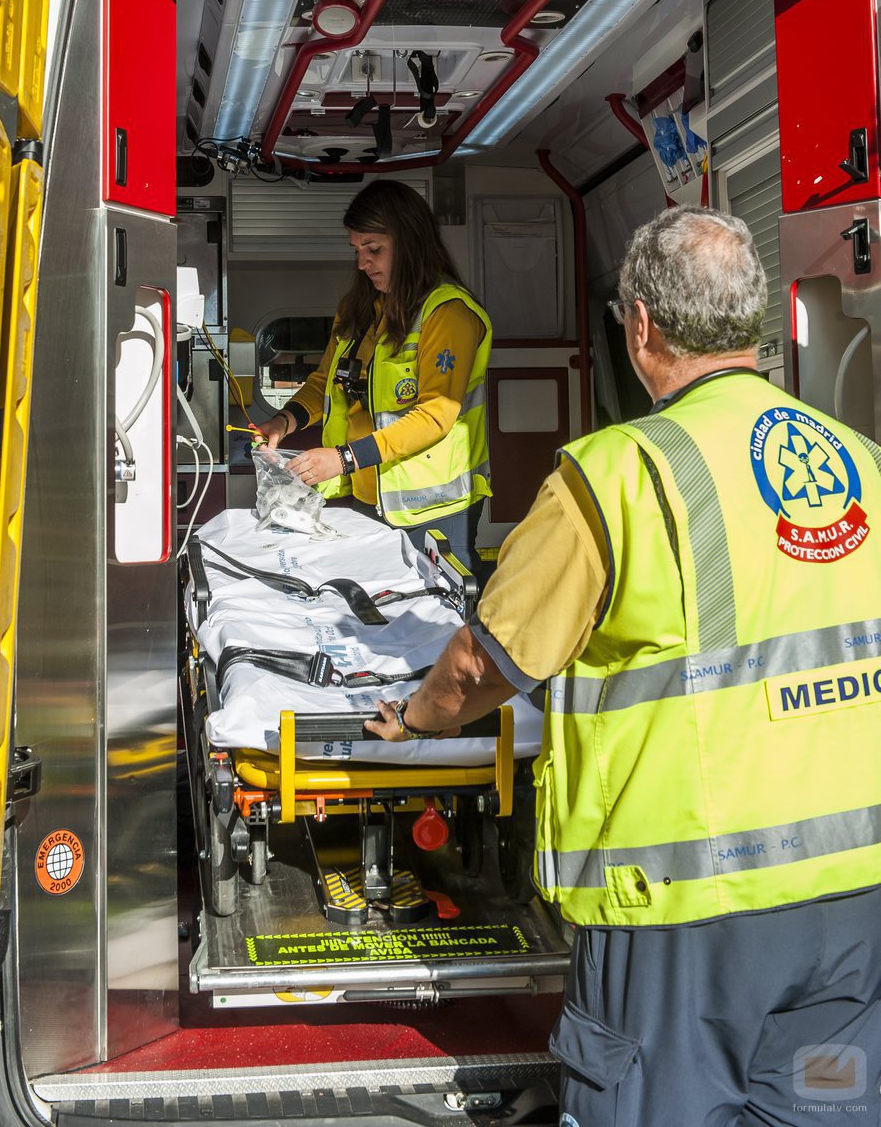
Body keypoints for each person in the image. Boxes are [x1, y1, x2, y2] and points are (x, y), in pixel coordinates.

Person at [364, 205, 881, 1126]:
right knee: (823, 1106)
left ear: (640, 326)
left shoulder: (616, 476)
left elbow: (485, 663)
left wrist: (413, 719)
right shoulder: (862, 464)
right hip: (853, 910)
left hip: (687, 916)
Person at [255, 180, 492, 575]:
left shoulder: (448, 314)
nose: (363, 263)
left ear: (410, 242)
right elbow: (324, 383)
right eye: (357, 251)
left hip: (434, 507)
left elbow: (436, 415)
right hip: (370, 493)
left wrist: (344, 458)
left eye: (374, 249)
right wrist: (284, 420)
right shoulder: (360, 308)